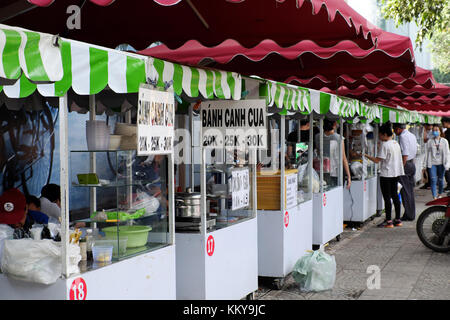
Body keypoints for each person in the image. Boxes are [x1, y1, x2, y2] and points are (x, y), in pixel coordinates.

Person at [363, 123, 404, 228]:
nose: (379, 137)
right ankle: (398, 219)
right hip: (395, 174)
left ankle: (389, 221)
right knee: (395, 196)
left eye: (380, 135)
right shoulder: (395, 143)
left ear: (385, 134)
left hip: (386, 174)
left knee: (386, 198)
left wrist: (365, 155)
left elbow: (377, 160)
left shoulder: (385, 145)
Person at [314, 119, 351, 189]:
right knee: (336, 194)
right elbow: (343, 158)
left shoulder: (317, 137)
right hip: (336, 171)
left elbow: (318, 152)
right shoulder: (339, 138)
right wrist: (349, 176)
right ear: (334, 125)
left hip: (322, 170)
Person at [393, 123, 417, 221]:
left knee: (406, 192)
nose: (394, 132)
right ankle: (411, 213)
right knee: (410, 191)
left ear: (398, 129)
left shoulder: (403, 137)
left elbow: (405, 154)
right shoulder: (412, 135)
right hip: (412, 164)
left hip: (406, 165)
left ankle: (408, 215)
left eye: (394, 130)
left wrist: (401, 168)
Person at [424, 125, 450, 199]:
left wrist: (447, 164)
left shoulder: (444, 141)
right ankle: (434, 196)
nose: (435, 132)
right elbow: (426, 153)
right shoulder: (430, 141)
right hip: (432, 164)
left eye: (437, 130)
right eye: (434, 130)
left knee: (441, 180)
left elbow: (447, 153)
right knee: (433, 180)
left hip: (441, 164)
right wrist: (424, 165)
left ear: (440, 131)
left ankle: (440, 193)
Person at [420, 124, 433, 190]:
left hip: (430, 156)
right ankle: (427, 184)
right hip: (426, 154)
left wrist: (424, 130)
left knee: (429, 170)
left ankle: (429, 184)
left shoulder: (431, 133)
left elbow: (425, 139)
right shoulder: (428, 132)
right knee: (427, 170)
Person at [441, 117, 450, 191]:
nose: (442, 125)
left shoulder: (447, 132)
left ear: (447, 123)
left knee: (447, 169)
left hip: (448, 153)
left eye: (443, 123)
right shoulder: (446, 131)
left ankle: (449, 185)